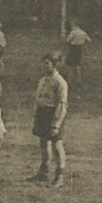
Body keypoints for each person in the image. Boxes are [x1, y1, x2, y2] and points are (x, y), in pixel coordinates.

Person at [29, 52, 71, 187]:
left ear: (55, 65)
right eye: (43, 63)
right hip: (43, 113)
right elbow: (38, 98)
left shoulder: (60, 82)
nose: (44, 66)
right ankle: (44, 173)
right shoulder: (43, 80)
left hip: (54, 114)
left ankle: (60, 175)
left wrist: (56, 124)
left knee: (57, 144)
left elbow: (62, 104)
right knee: (43, 143)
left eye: (47, 63)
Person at [64, 22, 92, 91]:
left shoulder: (73, 32)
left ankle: (70, 80)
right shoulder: (83, 32)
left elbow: (68, 40)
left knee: (70, 65)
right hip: (79, 50)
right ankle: (78, 80)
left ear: (75, 25)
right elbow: (89, 40)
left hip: (73, 49)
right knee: (78, 65)